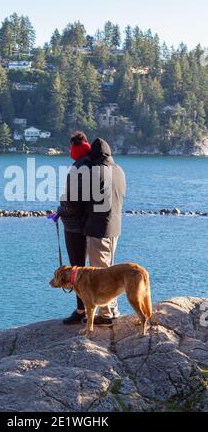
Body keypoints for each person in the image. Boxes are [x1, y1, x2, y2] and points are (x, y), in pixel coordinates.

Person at [84, 138, 126, 326]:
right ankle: (113, 309)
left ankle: (107, 314)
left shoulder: (95, 172)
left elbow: (84, 200)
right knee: (109, 269)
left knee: (102, 272)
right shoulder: (119, 170)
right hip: (115, 227)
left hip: (99, 228)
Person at [57, 131, 91, 325]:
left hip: (74, 226)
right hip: (88, 225)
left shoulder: (79, 168)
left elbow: (74, 203)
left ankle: (81, 310)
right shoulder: (91, 164)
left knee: (76, 270)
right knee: (85, 268)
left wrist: (60, 210)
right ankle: (88, 308)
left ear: (75, 148)